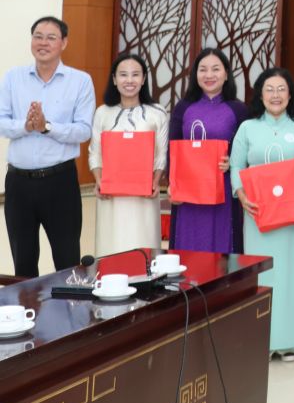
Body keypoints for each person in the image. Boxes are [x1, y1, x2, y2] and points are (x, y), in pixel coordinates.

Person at [0, 16, 94, 277]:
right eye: (38, 36)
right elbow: (1, 122)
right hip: (19, 184)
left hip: (60, 182)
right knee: (23, 262)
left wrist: (47, 127)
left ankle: (70, 316)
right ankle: (27, 315)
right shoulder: (13, 78)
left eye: (51, 37)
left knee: (67, 261)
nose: (43, 43)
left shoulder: (80, 81)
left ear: (64, 43)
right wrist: (26, 127)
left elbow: (84, 130)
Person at [231, 67, 294, 361]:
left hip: (293, 217)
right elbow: (236, 166)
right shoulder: (248, 128)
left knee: (291, 275)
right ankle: (261, 341)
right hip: (258, 214)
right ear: (260, 95)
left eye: (281, 89)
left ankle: (292, 341)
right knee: (263, 274)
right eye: (269, 89)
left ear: (290, 95)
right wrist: (240, 194)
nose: (276, 95)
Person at [168, 48, 247, 253]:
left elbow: (247, 150)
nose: (209, 75)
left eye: (215, 69)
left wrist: (233, 162)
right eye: (202, 70)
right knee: (188, 244)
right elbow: (173, 148)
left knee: (222, 244)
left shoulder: (238, 109)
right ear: (195, 75)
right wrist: (172, 184)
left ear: (226, 74)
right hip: (188, 192)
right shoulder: (183, 107)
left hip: (223, 189)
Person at [89, 52, 168, 256]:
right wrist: (99, 181)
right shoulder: (102, 112)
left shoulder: (157, 112)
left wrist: (155, 180)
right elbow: (95, 152)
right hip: (110, 197)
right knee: (111, 247)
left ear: (143, 79)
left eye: (135, 74)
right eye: (123, 75)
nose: (129, 80)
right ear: (114, 79)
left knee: (143, 248)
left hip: (143, 197)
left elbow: (161, 154)